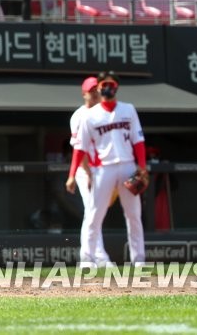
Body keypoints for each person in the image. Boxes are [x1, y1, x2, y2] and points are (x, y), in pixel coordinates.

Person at [68, 71, 148, 266]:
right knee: (94, 214)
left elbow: (138, 140)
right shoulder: (88, 116)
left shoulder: (128, 109)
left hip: (128, 166)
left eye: (110, 84)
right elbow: (80, 148)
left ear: (117, 87)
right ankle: (88, 260)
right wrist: (72, 174)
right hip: (103, 169)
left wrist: (142, 167)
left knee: (133, 214)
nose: (107, 88)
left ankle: (139, 260)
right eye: (103, 85)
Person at [65, 77, 111, 268]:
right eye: (91, 91)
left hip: (103, 169)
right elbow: (79, 149)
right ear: (84, 94)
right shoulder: (79, 116)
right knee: (92, 211)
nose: (95, 93)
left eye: (96, 90)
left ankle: (93, 255)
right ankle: (94, 256)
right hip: (86, 170)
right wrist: (88, 172)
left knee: (95, 212)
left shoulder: (105, 113)